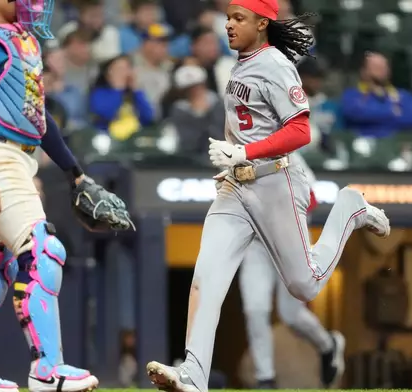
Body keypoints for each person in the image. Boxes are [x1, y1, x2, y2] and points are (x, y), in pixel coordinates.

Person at [145, 0, 390, 391]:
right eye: (227, 17)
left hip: (274, 181)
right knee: (205, 279)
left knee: (303, 286)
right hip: (236, 187)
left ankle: (349, 208)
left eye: (238, 18)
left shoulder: (275, 64)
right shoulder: (241, 62)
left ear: (262, 23)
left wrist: (243, 153)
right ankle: (193, 374)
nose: (228, 25)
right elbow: (246, 124)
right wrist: (231, 160)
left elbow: (300, 131)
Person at [0, 0, 134, 390]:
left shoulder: (23, 40)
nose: (34, 2)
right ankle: (47, 370)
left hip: (13, 158)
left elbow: (36, 116)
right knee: (44, 252)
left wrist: (75, 174)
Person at [238, 152, 344, 389]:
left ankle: (328, 345)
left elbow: (312, 198)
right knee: (255, 310)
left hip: (291, 241)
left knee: (291, 314)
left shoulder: (289, 154)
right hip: (256, 245)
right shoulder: (240, 152)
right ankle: (265, 377)